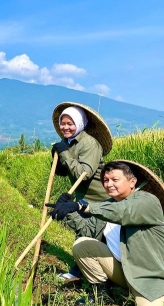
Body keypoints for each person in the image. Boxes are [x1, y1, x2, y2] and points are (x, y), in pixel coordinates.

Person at [46, 160, 164, 306]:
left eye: (115, 180)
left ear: (132, 182)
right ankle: (101, 292)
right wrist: (68, 210)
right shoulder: (107, 205)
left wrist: (82, 206)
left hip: (150, 276)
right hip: (124, 271)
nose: (109, 184)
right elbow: (87, 230)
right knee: (82, 245)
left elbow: (124, 212)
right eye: (106, 180)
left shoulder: (147, 202)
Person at [51, 102, 113, 280]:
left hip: (99, 199)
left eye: (70, 124)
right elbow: (67, 171)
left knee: (90, 235)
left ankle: (94, 276)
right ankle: (81, 271)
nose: (65, 127)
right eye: (63, 123)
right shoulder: (68, 142)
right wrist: (57, 160)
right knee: (85, 234)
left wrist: (65, 154)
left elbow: (83, 174)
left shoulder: (90, 144)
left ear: (79, 124)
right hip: (82, 197)